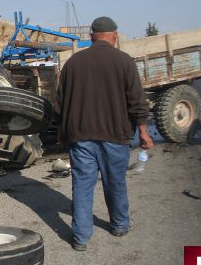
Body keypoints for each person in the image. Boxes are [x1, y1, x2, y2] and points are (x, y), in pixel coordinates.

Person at [54, 16, 153, 252]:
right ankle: (119, 225)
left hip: (81, 137)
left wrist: (61, 133)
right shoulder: (124, 61)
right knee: (115, 182)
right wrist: (143, 132)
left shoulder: (73, 63)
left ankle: (80, 238)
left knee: (82, 185)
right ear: (114, 36)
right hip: (115, 136)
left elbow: (60, 104)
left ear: (91, 37)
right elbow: (137, 100)